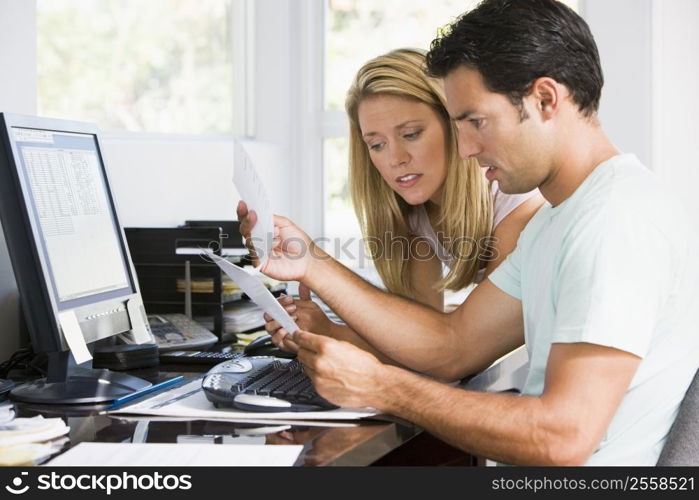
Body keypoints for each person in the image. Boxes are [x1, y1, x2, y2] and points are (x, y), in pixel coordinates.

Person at [238, 0, 699, 465]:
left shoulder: (614, 219)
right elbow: (453, 347)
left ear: (544, 100)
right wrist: (311, 262)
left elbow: (562, 437)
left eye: (476, 122)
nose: (466, 149)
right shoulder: (560, 219)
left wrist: (384, 386)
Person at [248, 48, 542, 361]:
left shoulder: (517, 202)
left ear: (454, 124)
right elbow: (421, 348)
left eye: (411, 134)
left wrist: (314, 265)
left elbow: (458, 353)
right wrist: (324, 332)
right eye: (376, 145)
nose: (395, 159)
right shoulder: (415, 212)